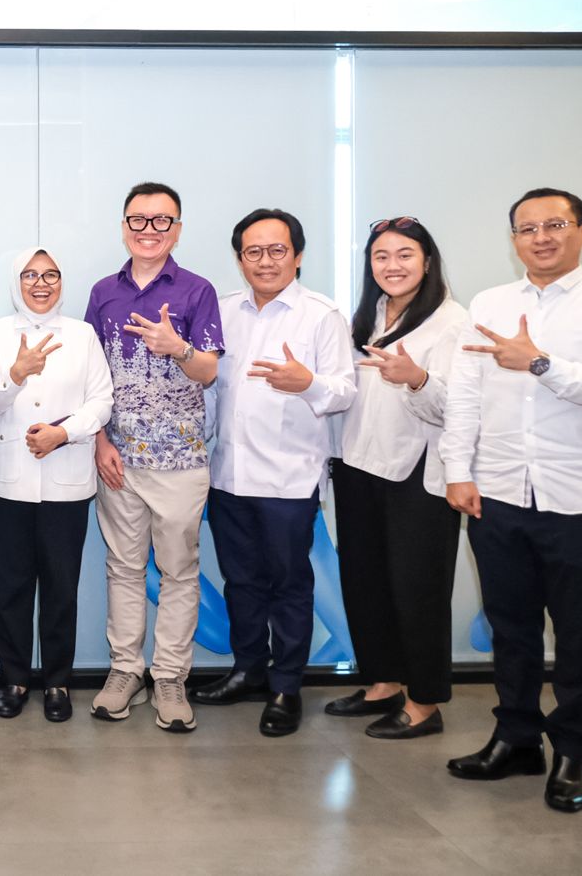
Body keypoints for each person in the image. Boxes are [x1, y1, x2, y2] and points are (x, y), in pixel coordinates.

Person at [441, 188, 582, 813]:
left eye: (555, 224)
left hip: (579, 496)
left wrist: (541, 363)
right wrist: (457, 470)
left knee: (578, 632)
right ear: (514, 240)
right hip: (497, 492)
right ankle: (517, 738)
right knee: (511, 627)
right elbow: (465, 396)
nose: (541, 237)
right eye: (527, 228)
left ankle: (575, 751)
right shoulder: (489, 304)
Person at [191, 208, 355, 737]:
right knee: (241, 582)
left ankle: (286, 686)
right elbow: (210, 388)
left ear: (298, 256)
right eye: (254, 252)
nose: (265, 261)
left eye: (277, 250)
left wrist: (308, 383)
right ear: (240, 259)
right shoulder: (222, 310)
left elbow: (344, 392)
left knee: (289, 584)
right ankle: (248, 671)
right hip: (228, 475)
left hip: (290, 478)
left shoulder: (322, 315)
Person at [84, 182, 222, 732]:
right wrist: (99, 442)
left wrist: (178, 348)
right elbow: (90, 378)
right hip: (118, 459)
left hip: (181, 461)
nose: (149, 230)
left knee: (178, 572)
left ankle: (170, 678)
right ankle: (126, 672)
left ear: (177, 230)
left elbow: (208, 370)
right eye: (138, 220)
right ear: (124, 227)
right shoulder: (103, 292)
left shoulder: (197, 290)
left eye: (161, 220)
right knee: (122, 568)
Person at [325, 217, 468, 739]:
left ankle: (425, 701)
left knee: (418, 589)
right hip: (359, 465)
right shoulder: (367, 317)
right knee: (366, 582)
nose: (392, 265)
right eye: (381, 256)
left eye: (405, 254)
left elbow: (460, 406)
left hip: (418, 475)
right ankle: (384, 682)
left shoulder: (453, 322)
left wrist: (419, 379)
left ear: (427, 262)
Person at [0, 246, 112, 723]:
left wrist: (64, 433)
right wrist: (16, 375)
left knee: (61, 586)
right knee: (11, 585)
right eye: (30, 275)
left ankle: (57, 681)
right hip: (7, 482)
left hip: (66, 480)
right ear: (17, 282)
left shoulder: (82, 334)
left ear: (61, 282)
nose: (40, 284)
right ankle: (14, 679)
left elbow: (102, 401)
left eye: (50, 275)